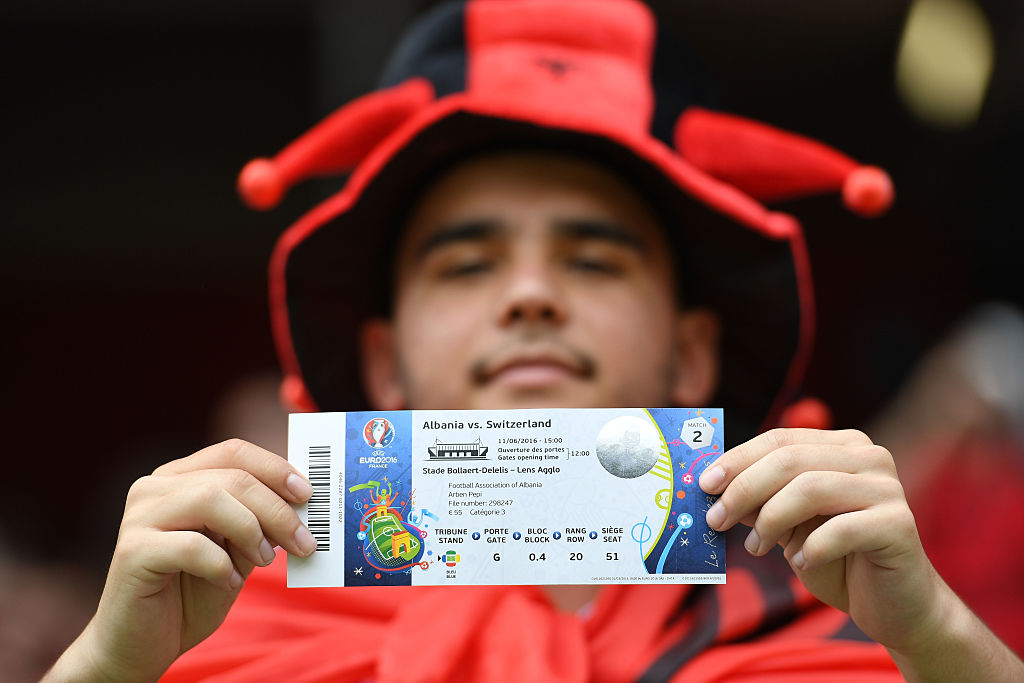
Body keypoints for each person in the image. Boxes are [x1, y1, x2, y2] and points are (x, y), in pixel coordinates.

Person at [45, 1, 1023, 681]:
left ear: (693, 355)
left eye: (592, 260)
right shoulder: (205, 646)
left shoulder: (868, 640)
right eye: (466, 264)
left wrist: (941, 637)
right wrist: (104, 664)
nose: (529, 294)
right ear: (382, 364)